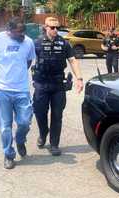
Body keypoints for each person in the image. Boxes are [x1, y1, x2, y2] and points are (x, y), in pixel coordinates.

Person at [0, 17, 36, 169]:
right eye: (18, 32)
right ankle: (9, 154)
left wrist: (18, 75)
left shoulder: (28, 42)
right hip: (2, 90)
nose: (22, 35)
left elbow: (28, 61)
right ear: (9, 30)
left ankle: (20, 140)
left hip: (22, 90)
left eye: (23, 31)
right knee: (5, 126)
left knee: (25, 122)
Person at [32, 17, 83, 156]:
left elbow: (72, 60)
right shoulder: (36, 43)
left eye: (57, 28)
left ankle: (54, 144)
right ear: (45, 27)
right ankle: (43, 133)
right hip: (41, 84)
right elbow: (26, 60)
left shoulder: (64, 43)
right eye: (52, 28)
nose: (55, 30)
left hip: (58, 85)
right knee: (39, 112)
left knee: (57, 115)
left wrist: (79, 78)